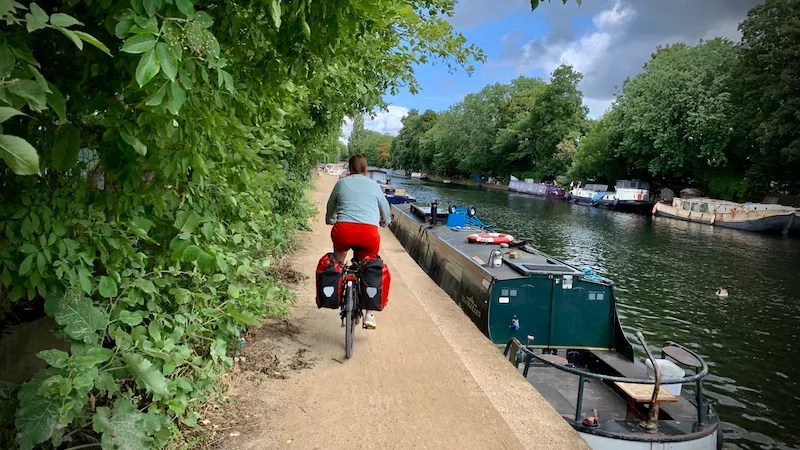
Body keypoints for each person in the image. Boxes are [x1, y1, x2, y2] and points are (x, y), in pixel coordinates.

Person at [325, 154, 392, 329]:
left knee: (338, 261)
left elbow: (331, 206)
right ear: (365, 168)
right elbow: (385, 208)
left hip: (344, 231)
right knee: (369, 266)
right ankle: (369, 314)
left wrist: (330, 219)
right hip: (368, 233)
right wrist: (385, 222)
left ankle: (337, 291)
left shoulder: (341, 183)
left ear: (350, 168)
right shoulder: (374, 185)